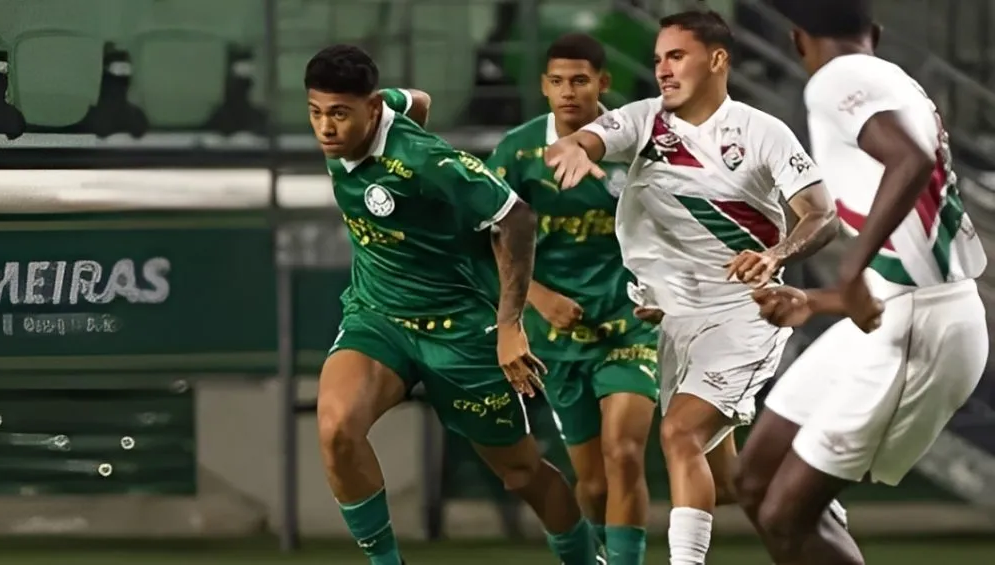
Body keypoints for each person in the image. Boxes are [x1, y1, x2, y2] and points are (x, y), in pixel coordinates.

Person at [543, 10, 840, 565]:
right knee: (725, 479)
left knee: (679, 434)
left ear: (717, 60)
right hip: (674, 319)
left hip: (745, 313)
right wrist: (576, 148)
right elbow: (594, 137)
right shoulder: (645, 121)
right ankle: (811, 500)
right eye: (658, 59)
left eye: (675, 56)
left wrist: (776, 254)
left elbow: (822, 216)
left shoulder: (761, 132)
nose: (662, 70)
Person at [307, 44, 601, 565]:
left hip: (458, 330)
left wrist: (510, 325)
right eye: (316, 113)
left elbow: (517, 220)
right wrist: (408, 116)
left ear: (371, 108)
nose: (326, 129)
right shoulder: (373, 117)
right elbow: (417, 99)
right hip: (378, 317)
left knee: (521, 474)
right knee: (335, 430)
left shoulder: (425, 161)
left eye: (339, 114)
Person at [734, 1, 988, 564]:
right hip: (899, 314)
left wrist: (847, 273)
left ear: (798, 40)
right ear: (874, 33)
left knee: (784, 514)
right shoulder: (895, 80)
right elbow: (909, 250)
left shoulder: (837, 79)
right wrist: (820, 299)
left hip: (921, 328)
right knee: (756, 480)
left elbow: (911, 158)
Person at [486, 33, 660, 565]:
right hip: (555, 339)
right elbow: (489, 238)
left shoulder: (636, 144)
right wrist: (537, 299)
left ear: (603, 83)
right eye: (557, 81)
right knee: (593, 482)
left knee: (625, 454)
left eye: (580, 80)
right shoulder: (517, 152)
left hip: (629, 324)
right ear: (543, 86)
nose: (568, 92)